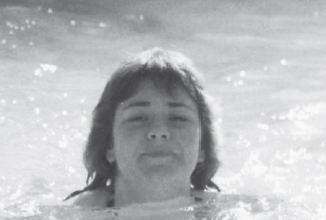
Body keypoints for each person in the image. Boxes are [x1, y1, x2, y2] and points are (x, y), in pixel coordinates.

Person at [66, 48, 221, 211]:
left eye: (178, 118)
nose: (159, 132)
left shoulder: (232, 218)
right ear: (109, 145)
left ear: (202, 146)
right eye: (138, 118)